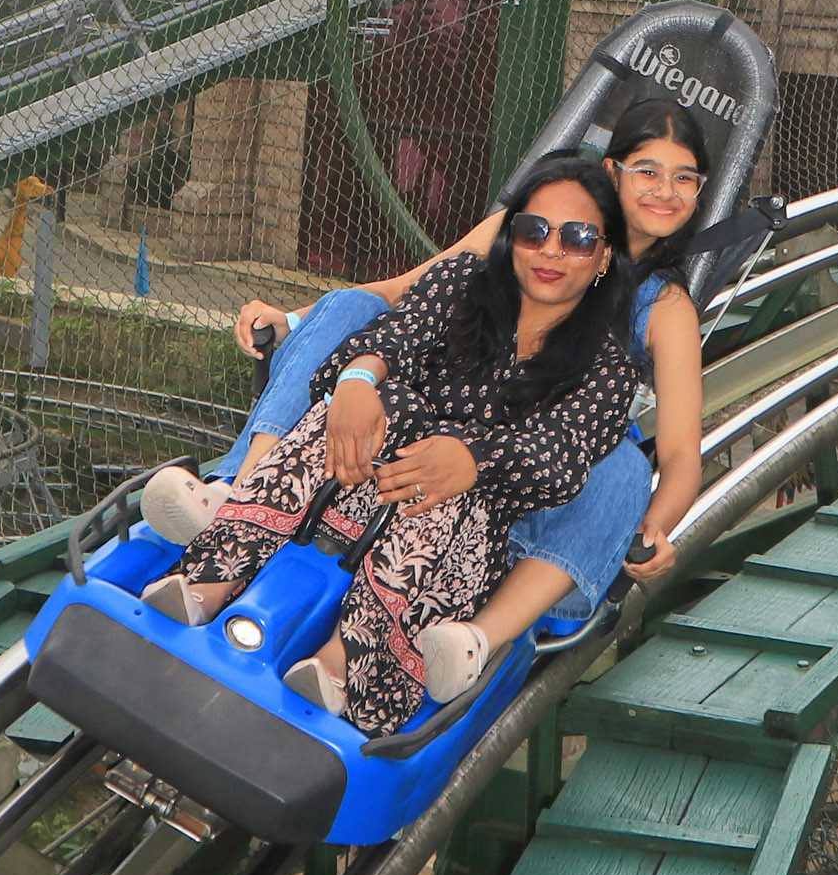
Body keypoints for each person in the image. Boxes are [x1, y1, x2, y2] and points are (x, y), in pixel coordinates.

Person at [144, 99, 712, 687]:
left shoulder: (663, 308)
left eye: (683, 178)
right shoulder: (528, 223)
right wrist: (297, 320)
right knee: (352, 307)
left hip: (533, 475)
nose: (664, 191)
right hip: (429, 428)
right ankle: (236, 490)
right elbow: (410, 295)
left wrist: (654, 531)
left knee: (623, 466)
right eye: (648, 171)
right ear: (614, 171)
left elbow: (677, 453)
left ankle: (477, 638)